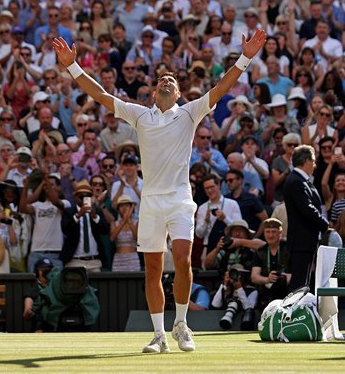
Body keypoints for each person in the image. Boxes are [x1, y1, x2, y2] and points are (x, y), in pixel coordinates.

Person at [53, 29, 266, 353]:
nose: (166, 81)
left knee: (182, 261)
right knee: (153, 268)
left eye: (172, 80)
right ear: (154, 92)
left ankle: (181, 324)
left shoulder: (190, 112)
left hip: (180, 200)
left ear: (179, 92)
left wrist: (246, 57)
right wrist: (72, 66)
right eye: (161, 79)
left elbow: (222, 86)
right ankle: (159, 335)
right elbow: (99, 94)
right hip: (150, 202)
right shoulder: (139, 114)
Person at [283, 145, 329, 291]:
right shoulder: (296, 181)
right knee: (299, 284)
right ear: (306, 161)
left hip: (305, 241)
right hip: (301, 242)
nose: (314, 165)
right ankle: (294, 313)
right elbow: (307, 208)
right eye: (313, 161)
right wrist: (325, 224)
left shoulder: (301, 181)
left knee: (304, 282)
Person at [250, 218, 290, 308]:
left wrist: (288, 275)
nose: (270, 235)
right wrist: (267, 279)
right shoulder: (260, 251)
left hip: (287, 290)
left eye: (274, 232)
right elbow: (254, 277)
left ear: (280, 233)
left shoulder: (288, 249)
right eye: (267, 232)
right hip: (267, 292)